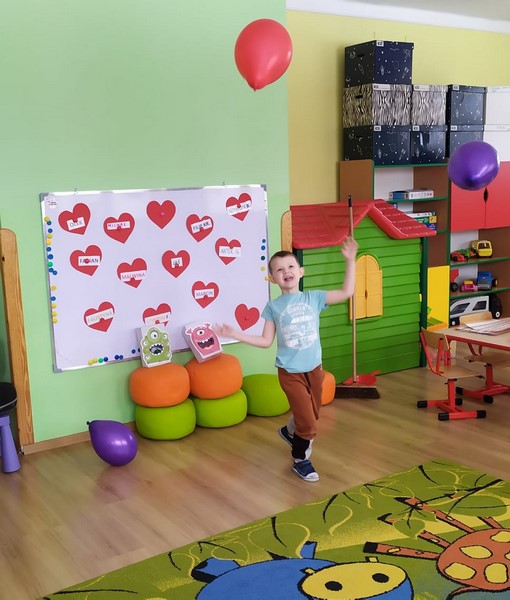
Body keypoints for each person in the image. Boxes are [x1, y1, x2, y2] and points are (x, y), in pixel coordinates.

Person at [214, 237, 358, 482]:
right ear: (272, 278)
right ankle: (300, 460)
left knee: (312, 414)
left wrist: (350, 261)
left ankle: (289, 431)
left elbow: (347, 292)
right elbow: (265, 341)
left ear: (301, 272)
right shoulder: (273, 307)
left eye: (291, 267)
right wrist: (235, 334)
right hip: (290, 372)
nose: (286, 272)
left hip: (315, 369)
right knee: (309, 425)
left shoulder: (314, 298)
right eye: (279, 270)